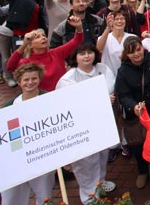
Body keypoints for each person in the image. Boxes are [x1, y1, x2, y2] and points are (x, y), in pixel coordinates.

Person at [57, 43, 117, 202]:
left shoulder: (103, 69)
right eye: (82, 53)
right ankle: (88, 195)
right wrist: (101, 98)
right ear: (75, 57)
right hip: (81, 127)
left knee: (102, 155)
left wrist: (101, 98)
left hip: (102, 122)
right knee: (85, 162)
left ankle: (100, 182)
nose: (86, 56)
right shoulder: (67, 80)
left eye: (89, 52)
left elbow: (111, 88)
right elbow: (70, 103)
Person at [115, 36, 150, 189]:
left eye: (138, 49)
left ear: (142, 46)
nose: (136, 54)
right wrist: (134, 107)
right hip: (139, 114)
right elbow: (123, 95)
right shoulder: (123, 70)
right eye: (131, 52)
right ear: (127, 54)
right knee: (139, 145)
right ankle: (142, 170)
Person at [0, 63, 55, 205]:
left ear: (39, 79)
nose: (30, 82)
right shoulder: (10, 105)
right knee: (13, 197)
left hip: (42, 156)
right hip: (18, 158)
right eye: (26, 79)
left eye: (34, 78)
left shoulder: (50, 100)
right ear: (19, 82)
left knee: (44, 195)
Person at [6, 14, 84, 91]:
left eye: (44, 36)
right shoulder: (26, 62)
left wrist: (79, 27)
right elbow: (10, 66)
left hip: (62, 93)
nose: (43, 38)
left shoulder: (56, 53)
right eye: (38, 37)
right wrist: (24, 45)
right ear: (31, 44)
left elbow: (77, 41)